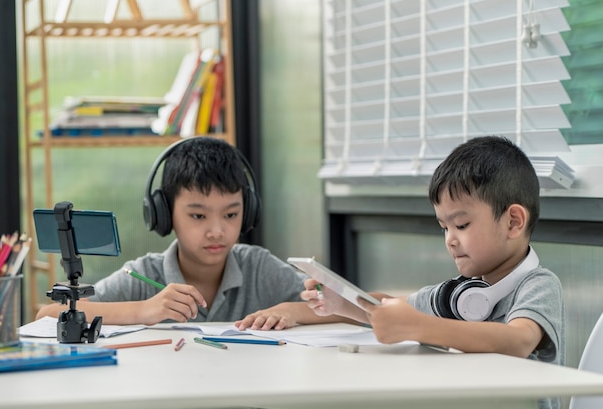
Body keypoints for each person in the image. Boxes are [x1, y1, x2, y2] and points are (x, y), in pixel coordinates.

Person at [301, 136, 564, 409]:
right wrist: (342, 301)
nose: (450, 239)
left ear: (513, 222)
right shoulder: (461, 293)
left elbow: (518, 341)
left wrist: (416, 326)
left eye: (461, 225)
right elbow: (389, 308)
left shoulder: (539, 285)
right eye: (444, 227)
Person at [36, 136, 344, 330]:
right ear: (163, 213)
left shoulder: (259, 268)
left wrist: (293, 309)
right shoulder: (145, 273)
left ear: (248, 211)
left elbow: (371, 307)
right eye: (198, 215)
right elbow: (48, 315)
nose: (216, 230)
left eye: (231, 214)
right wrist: (144, 310)